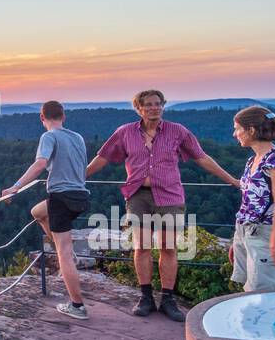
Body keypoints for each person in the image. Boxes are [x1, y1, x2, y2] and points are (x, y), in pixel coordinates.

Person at [85, 89, 240, 320]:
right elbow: (103, 157)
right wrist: (80, 177)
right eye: (148, 104)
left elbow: (202, 157)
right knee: (142, 247)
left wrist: (231, 180)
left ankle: (168, 299)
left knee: (169, 248)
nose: (153, 108)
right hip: (138, 195)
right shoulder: (125, 133)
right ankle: (145, 297)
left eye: (158, 104)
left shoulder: (178, 132)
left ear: (163, 106)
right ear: (139, 108)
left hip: (170, 196)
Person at [1, 100, 90, 320]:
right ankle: (69, 256)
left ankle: (77, 306)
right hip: (80, 195)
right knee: (38, 212)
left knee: (64, 253)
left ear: (42, 118)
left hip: (61, 197)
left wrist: (16, 186)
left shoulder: (48, 136)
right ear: (64, 116)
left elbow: (40, 164)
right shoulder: (76, 137)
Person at [230, 106, 275, 291]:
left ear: (251, 130)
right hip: (247, 232)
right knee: (249, 292)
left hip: (267, 234)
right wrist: (238, 239)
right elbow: (249, 203)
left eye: (237, 128)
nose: (234, 134)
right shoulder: (253, 160)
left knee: (265, 296)